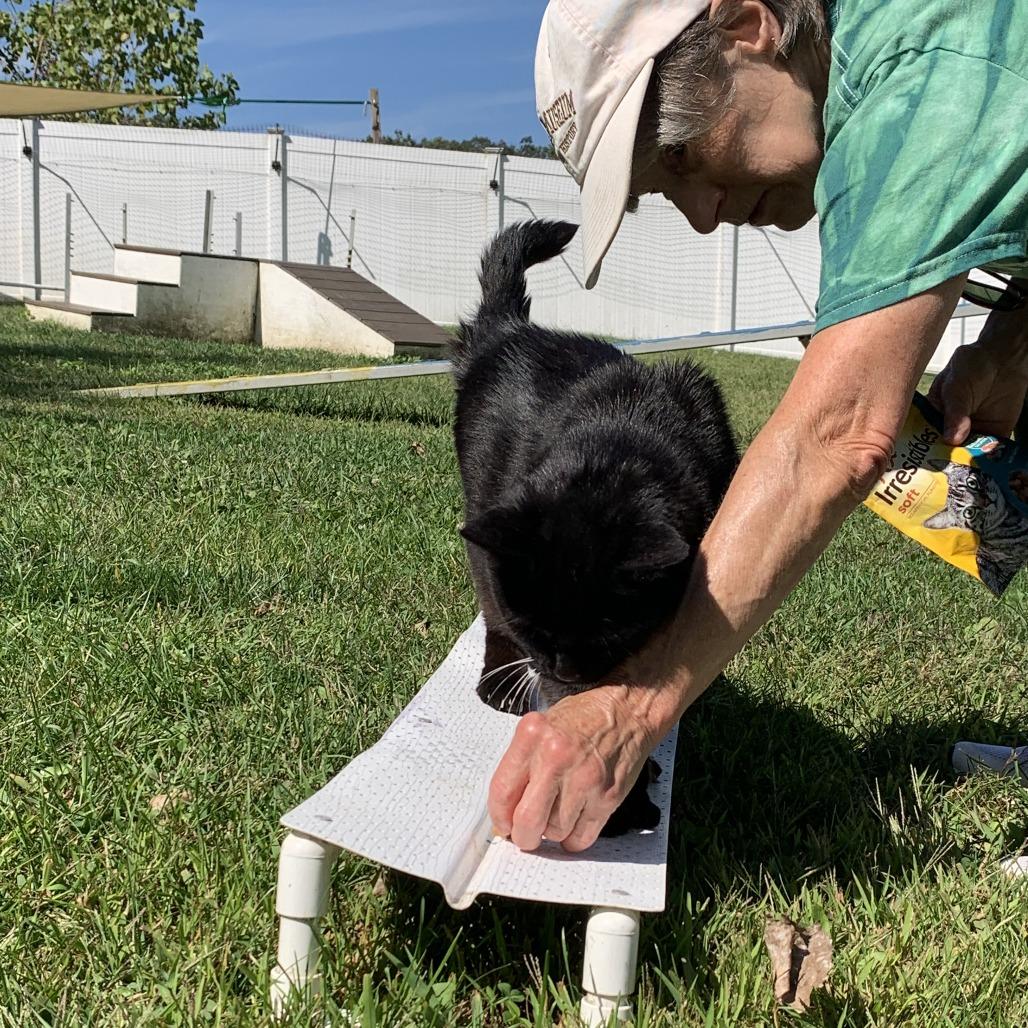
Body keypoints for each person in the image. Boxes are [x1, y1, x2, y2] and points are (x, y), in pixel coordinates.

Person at [489, 0, 1028, 853]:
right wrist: (1009, 345)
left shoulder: (920, 70)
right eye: (666, 195)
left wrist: (634, 706)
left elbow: (838, 435)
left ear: (746, 24)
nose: (704, 215)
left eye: (680, 158)